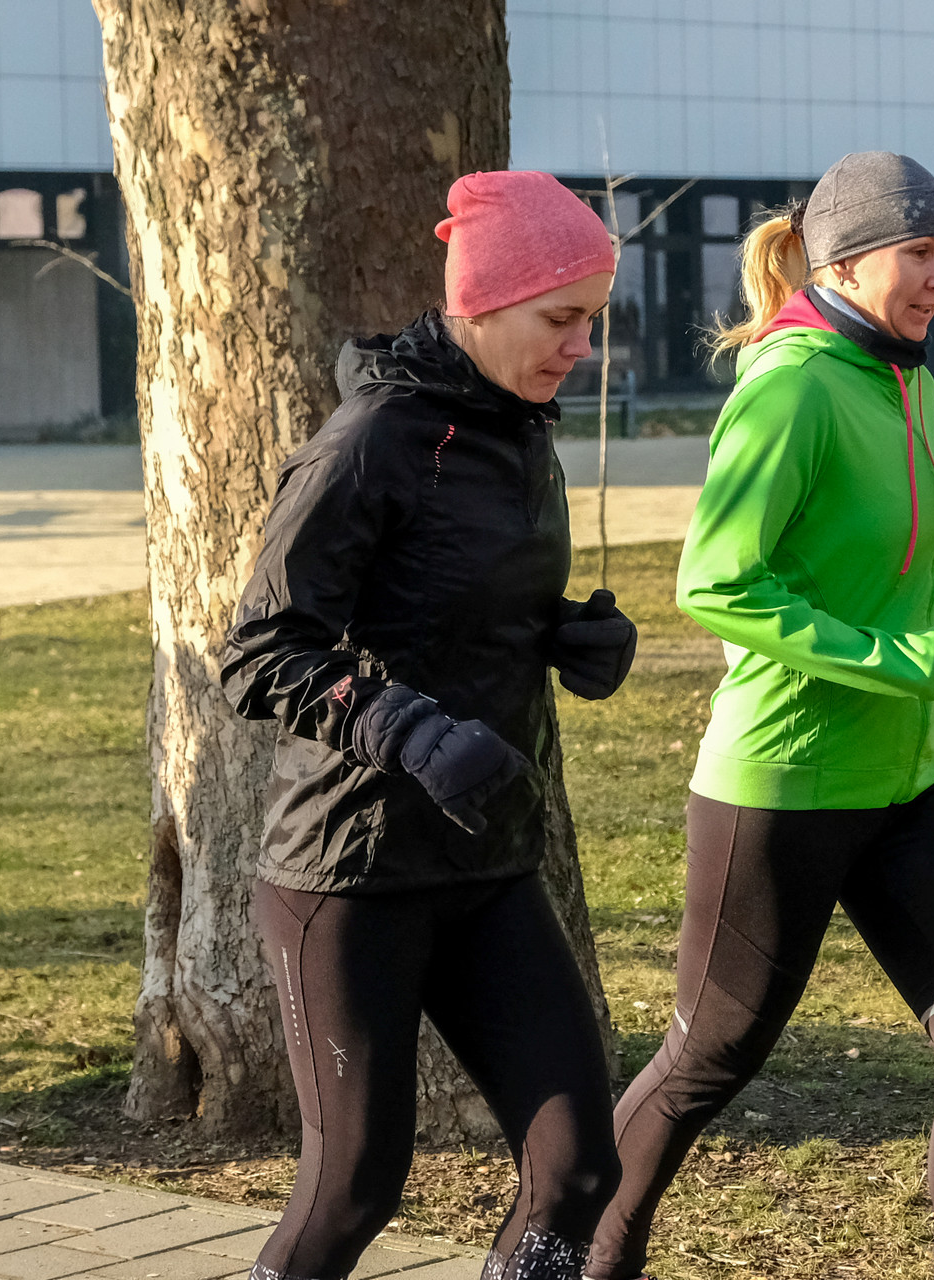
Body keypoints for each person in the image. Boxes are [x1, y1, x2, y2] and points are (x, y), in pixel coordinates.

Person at [583, 152, 934, 1280]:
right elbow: (718, 583)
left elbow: (847, 567)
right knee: (707, 1059)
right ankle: (569, 1259)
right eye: (921, 252)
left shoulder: (903, 376)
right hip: (783, 784)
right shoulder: (791, 386)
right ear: (842, 265)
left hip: (903, 779)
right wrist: (907, 655)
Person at [221, 170, 639, 1280]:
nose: (582, 346)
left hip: (484, 857)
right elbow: (260, 651)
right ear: (483, 304)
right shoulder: (369, 442)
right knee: (354, 1185)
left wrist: (561, 633)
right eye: (562, 318)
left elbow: (440, 594)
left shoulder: (518, 430)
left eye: (593, 318)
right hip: (349, 870)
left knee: (578, 1167)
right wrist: (403, 728)